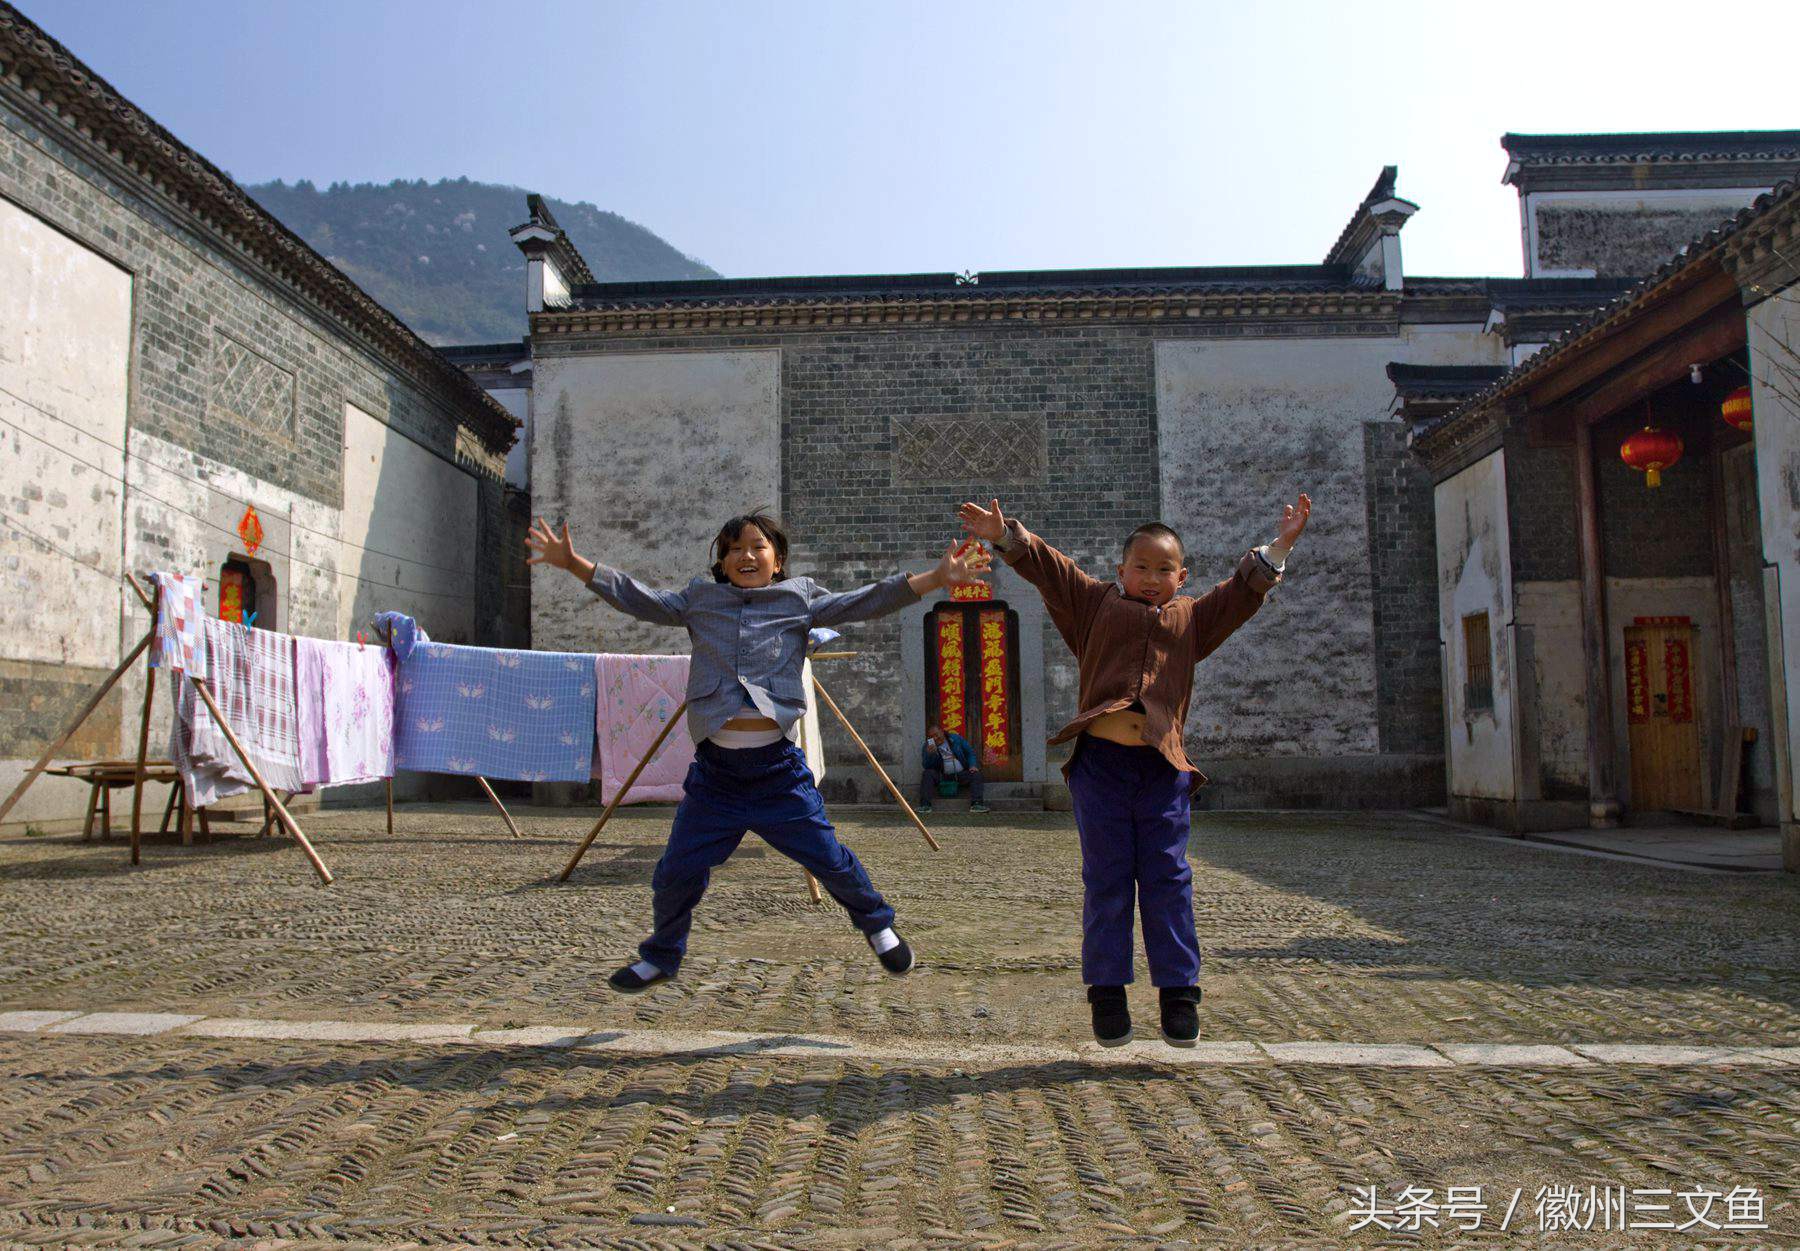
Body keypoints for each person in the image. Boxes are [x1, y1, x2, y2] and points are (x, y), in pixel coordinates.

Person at [527, 510, 989, 991]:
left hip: (777, 775)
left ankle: (876, 924)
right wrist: (577, 565)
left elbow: (865, 602)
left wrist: (938, 577)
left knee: (830, 859)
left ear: (778, 558)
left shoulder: (800, 597)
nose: (745, 555)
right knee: (674, 873)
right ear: (722, 563)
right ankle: (662, 955)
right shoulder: (700, 600)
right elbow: (640, 599)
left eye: (757, 546)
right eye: (732, 548)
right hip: (716, 778)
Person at [958, 494, 1310, 1048]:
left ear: (1181, 575)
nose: (1151, 577)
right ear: (1121, 571)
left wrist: (1280, 545)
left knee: (1169, 878)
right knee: (1107, 879)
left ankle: (1179, 994)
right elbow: (1051, 569)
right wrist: (1006, 538)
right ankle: (1107, 992)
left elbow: (1242, 592)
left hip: (1161, 768)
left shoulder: (1193, 618)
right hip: (1101, 767)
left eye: (1164, 569)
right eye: (1141, 567)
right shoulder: (1094, 604)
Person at [918, 722, 989, 813]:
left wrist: (972, 765)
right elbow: (926, 766)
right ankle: (925, 805)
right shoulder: (927, 746)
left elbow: (970, 753)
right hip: (942, 776)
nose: (935, 738)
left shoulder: (955, 739)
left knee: (976, 774)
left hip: (960, 774)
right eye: (932, 737)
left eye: (936, 735)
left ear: (942, 731)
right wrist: (931, 754)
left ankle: (977, 804)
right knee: (927, 774)